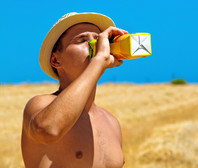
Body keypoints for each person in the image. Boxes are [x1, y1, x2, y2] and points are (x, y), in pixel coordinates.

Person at [21, 12, 128, 168]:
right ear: (56, 60)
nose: (95, 46)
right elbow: (49, 130)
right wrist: (98, 61)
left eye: (98, 40)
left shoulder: (112, 122)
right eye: (82, 40)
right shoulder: (40, 105)